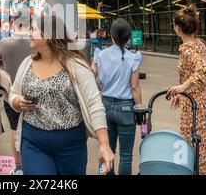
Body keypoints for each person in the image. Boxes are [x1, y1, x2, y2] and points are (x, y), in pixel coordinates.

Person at [9, 15, 115, 175]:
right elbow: (13, 94)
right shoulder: (27, 64)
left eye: (33, 29)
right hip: (33, 141)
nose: (29, 33)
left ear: (47, 36)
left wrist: (104, 144)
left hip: (71, 144)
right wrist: (18, 101)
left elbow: (94, 104)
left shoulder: (77, 65)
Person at [168, 4, 206, 175]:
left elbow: (204, 70)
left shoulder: (187, 49)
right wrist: (181, 92)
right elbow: (193, 72)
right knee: (204, 149)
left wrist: (183, 86)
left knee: (194, 148)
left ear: (178, 28)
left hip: (195, 109)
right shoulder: (199, 44)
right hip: (202, 104)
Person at [92, 18, 143, 175]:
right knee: (126, 156)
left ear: (111, 36)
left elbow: (91, 75)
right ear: (128, 38)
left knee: (108, 150)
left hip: (105, 105)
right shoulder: (133, 57)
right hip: (126, 108)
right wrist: (139, 108)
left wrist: (101, 85)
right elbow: (134, 87)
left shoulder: (100, 55)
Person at [0, 10, 31, 175]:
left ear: (15, 24)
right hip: (32, 94)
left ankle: (19, 168)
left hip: (11, 96)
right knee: (32, 129)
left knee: (15, 129)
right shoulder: (35, 42)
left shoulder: (3, 43)